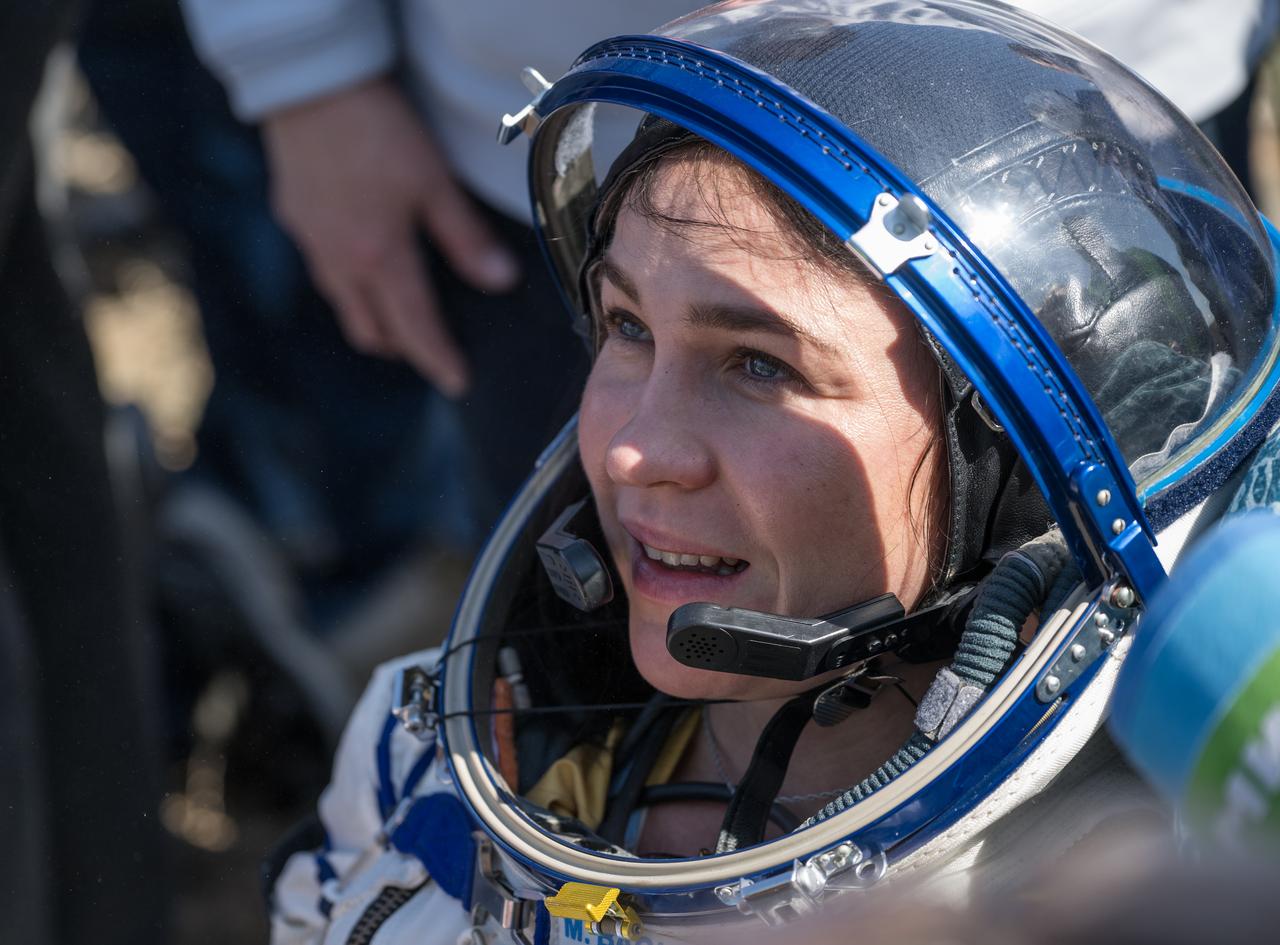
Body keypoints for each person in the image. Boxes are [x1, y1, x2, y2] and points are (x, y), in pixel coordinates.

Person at [266, 2, 1280, 943]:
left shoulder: (1164, 885)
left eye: (759, 365)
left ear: (1008, 472)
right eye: (625, 327)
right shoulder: (429, 762)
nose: (630, 451)